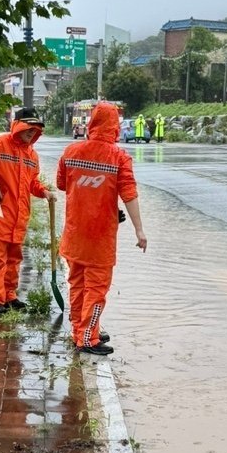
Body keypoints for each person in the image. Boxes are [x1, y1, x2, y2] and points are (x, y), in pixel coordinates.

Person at [56, 100, 147, 355]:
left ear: (92, 123)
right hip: (100, 238)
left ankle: (80, 330)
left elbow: (62, 184)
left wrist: (87, 193)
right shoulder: (119, 157)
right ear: (115, 127)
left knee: (76, 284)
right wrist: (139, 231)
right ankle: (87, 338)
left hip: (74, 234)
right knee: (96, 289)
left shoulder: (71, 152)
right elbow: (129, 194)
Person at [0, 109, 51, 317]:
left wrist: (44, 192)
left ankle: (9, 296)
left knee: (14, 258)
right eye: (29, 128)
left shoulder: (32, 154)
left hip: (18, 216)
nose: (32, 133)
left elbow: (32, 182)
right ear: (18, 125)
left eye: (36, 129)